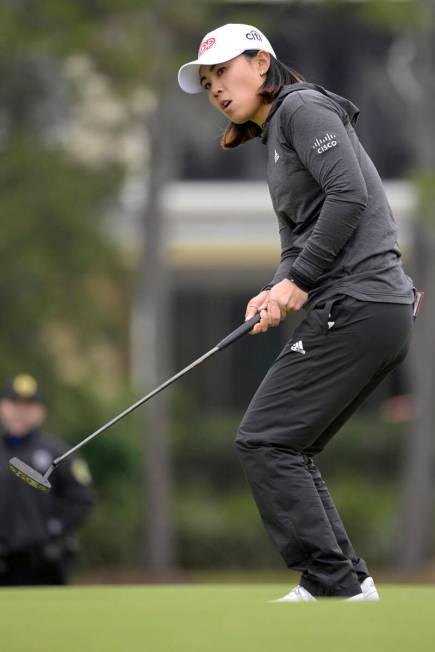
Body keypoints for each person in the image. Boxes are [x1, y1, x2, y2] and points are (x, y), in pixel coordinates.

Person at [178, 23, 417, 601]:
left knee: (263, 439)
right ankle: (347, 581)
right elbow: (300, 240)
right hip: (364, 305)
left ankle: (331, 581)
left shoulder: (302, 108)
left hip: (358, 302)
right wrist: (276, 286)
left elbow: (349, 196)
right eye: (207, 80)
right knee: (284, 444)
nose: (215, 88)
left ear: (261, 64)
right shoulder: (276, 135)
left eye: (223, 71)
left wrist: (301, 281)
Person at [0, 374, 95, 586]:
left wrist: (56, 527)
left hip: (43, 565)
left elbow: (82, 497)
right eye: (15, 404)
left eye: (28, 406)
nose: (20, 412)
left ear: (41, 412)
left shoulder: (58, 452)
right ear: (3, 407)